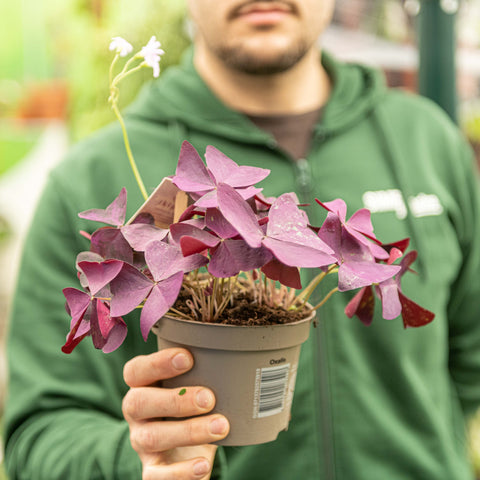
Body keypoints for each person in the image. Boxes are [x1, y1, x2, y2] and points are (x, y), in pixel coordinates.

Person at [4, 0, 480, 479]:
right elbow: (36, 438)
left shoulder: (430, 142)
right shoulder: (86, 178)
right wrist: (137, 458)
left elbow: (472, 361)